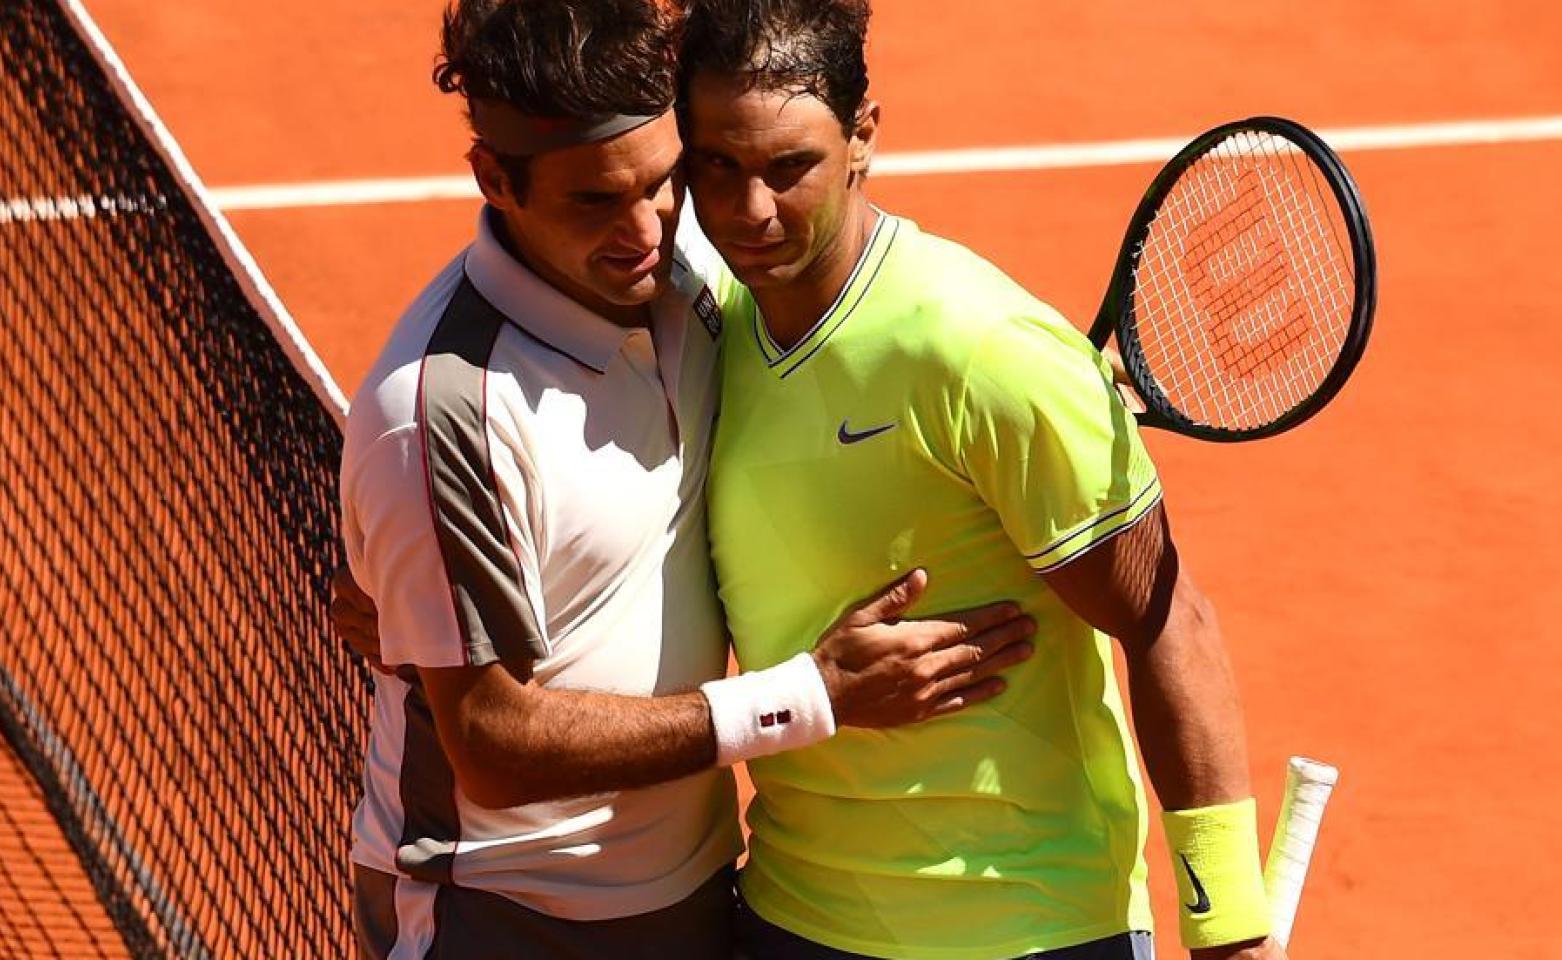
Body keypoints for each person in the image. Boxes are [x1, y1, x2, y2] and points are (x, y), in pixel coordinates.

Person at [335, 2, 1037, 958]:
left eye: (663, 183)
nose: (644, 233)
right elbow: (492, 746)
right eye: (594, 201)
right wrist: (807, 696)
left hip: (699, 890)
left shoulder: (692, 276)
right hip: (506, 914)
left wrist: (1043, 389)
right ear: (495, 179)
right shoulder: (443, 414)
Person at [676, 1, 1287, 959]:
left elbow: (1169, 620)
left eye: (790, 168)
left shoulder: (983, 352)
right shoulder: (706, 322)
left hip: (1025, 926)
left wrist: (1229, 927)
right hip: (797, 913)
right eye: (719, 164)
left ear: (863, 136)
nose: (751, 210)